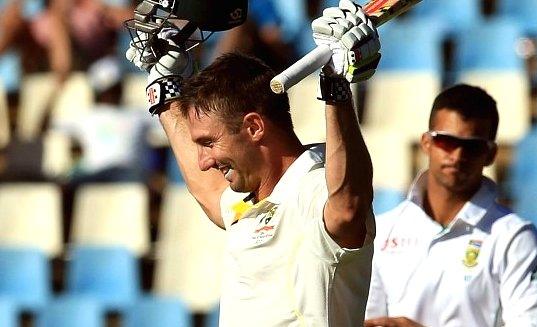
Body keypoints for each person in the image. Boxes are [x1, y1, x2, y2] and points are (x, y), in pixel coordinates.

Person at [126, 0, 382, 325]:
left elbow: (348, 207)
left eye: (209, 143)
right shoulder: (245, 201)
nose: (204, 162)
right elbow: (207, 191)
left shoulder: (314, 188)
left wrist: (336, 85)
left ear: (254, 127)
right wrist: (163, 88)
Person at [364, 84, 537, 327]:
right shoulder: (382, 230)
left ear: (489, 154)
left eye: (472, 146)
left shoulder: (515, 238)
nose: (457, 156)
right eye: (446, 141)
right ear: (426, 142)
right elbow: (366, 320)